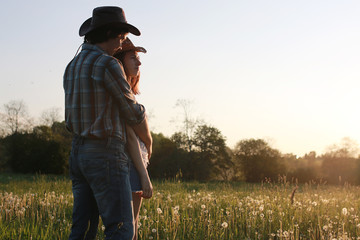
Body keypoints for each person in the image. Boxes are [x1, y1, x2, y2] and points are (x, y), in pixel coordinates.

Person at [64, 6, 152, 240]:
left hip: (78, 152)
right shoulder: (108, 64)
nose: (122, 42)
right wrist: (148, 138)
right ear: (110, 33)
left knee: (82, 229)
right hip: (105, 153)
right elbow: (132, 113)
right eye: (121, 36)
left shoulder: (71, 66)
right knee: (121, 228)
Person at [114, 38, 153, 240]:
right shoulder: (122, 93)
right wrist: (144, 175)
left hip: (136, 162)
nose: (139, 63)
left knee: (132, 225)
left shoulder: (128, 92)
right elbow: (130, 136)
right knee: (129, 227)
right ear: (120, 61)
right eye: (133, 58)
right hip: (131, 163)